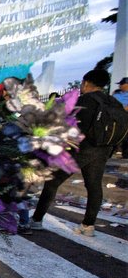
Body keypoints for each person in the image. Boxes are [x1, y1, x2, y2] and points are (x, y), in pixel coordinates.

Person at [31, 69, 119, 236]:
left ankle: (36, 220)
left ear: (86, 83)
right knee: (94, 186)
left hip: (82, 148)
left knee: (52, 182)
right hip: (103, 149)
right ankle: (88, 226)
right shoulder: (113, 102)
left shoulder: (85, 100)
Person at [112, 77, 128, 159]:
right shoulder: (116, 94)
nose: (119, 86)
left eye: (121, 84)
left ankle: (125, 155)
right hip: (115, 118)